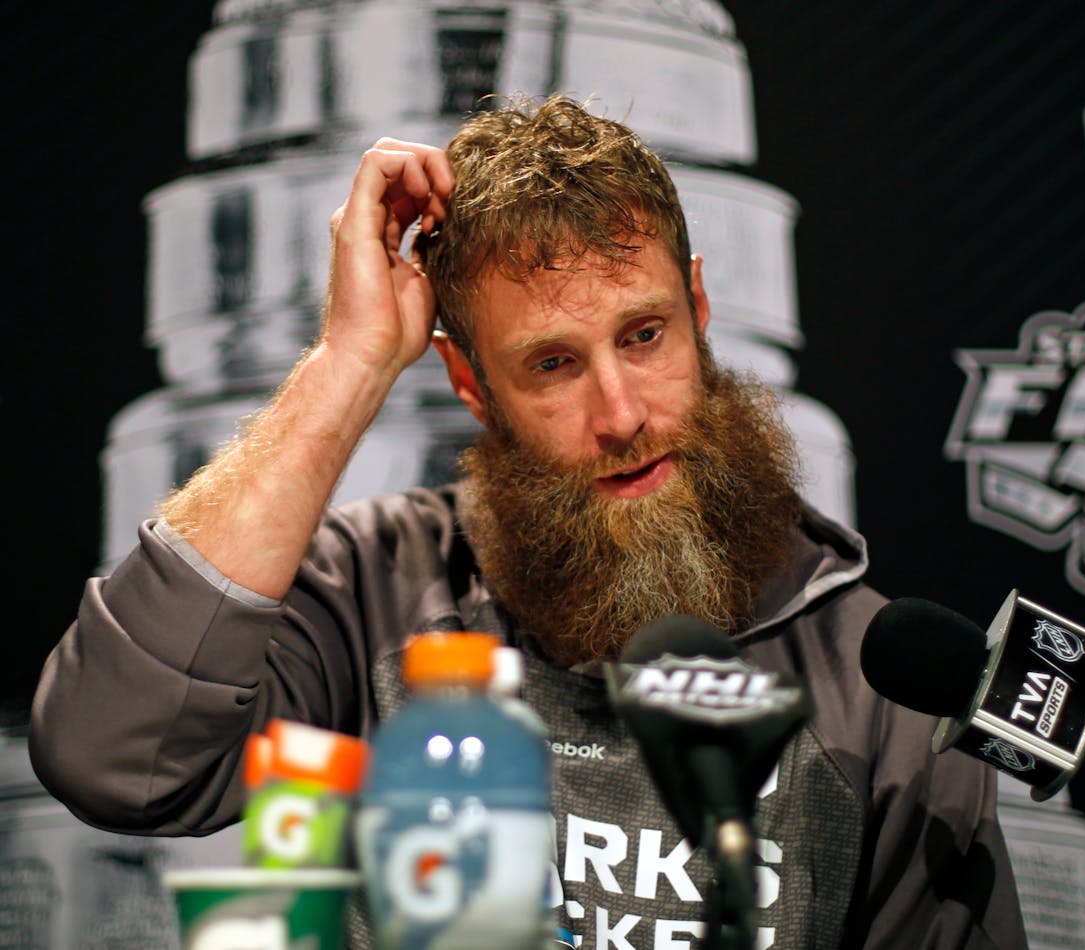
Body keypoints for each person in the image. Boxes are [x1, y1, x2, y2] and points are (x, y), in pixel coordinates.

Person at [29, 96, 1028, 948]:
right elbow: (116, 760)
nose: (621, 411)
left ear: (697, 305)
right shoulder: (371, 588)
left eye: (644, 335)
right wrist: (348, 362)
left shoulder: (885, 688)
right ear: (468, 379)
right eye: (551, 363)